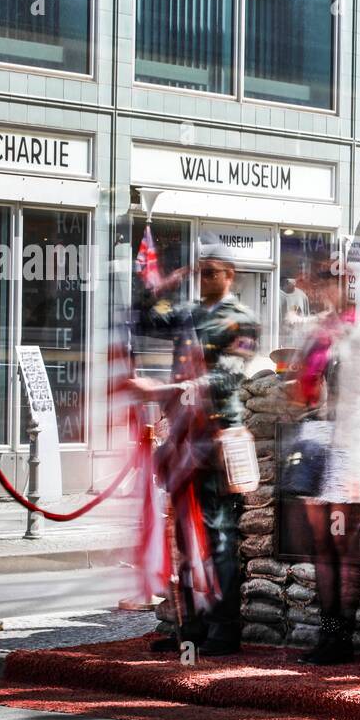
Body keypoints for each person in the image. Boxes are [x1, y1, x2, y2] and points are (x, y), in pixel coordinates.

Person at [132, 238, 259, 657]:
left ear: (229, 274)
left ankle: (225, 630)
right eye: (198, 271)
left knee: (219, 535)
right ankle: (192, 628)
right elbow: (144, 321)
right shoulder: (186, 313)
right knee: (186, 537)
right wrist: (163, 286)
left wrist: (165, 388)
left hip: (217, 436)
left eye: (210, 272)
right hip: (184, 436)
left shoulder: (241, 320)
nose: (202, 278)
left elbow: (227, 378)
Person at [293, 254, 360, 665]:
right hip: (321, 440)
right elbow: (304, 391)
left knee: (342, 545)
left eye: (330, 282)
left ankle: (341, 636)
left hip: (353, 447)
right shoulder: (325, 332)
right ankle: (328, 632)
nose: (322, 290)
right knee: (321, 545)